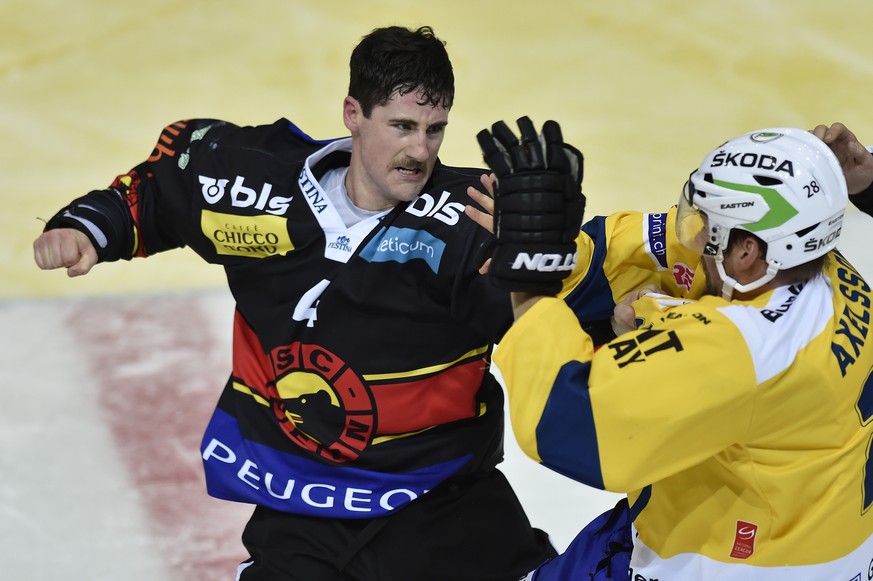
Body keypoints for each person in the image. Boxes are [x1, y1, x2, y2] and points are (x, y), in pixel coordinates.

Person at [32, 26, 557, 581]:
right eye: (402, 126)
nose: (420, 151)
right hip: (302, 505)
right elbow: (162, 191)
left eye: (435, 129)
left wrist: (540, 263)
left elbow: (554, 325)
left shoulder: (477, 220)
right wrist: (88, 228)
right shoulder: (255, 188)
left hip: (439, 501)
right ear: (354, 114)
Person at [472, 117, 873, 579]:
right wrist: (570, 252)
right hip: (800, 527)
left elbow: (566, 421)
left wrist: (531, 277)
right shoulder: (818, 263)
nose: (695, 235)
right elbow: (647, 250)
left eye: (708, 225)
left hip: (721, 564)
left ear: (747, 252)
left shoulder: (742, 348)